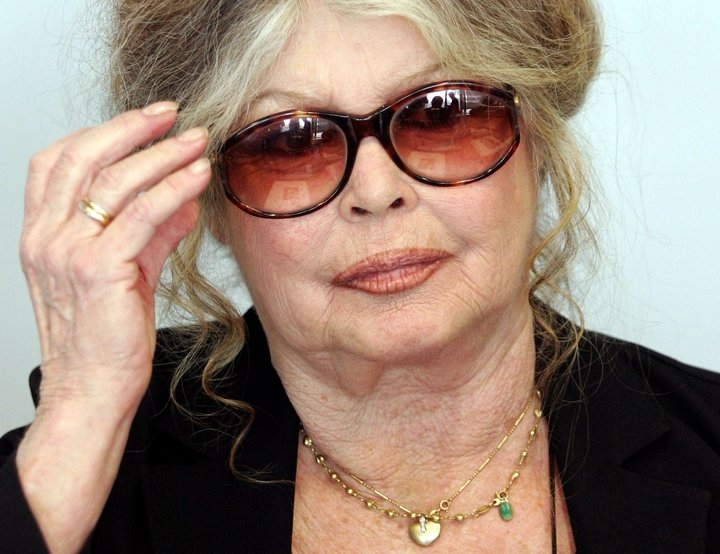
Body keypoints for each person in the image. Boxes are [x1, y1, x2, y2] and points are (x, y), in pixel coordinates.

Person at [1, 0, 719, 552]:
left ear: (538, 142)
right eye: (290, 143)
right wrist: (78, 421)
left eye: (442, 114)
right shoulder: (86, 474)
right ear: (207, 201)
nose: (375, 192)